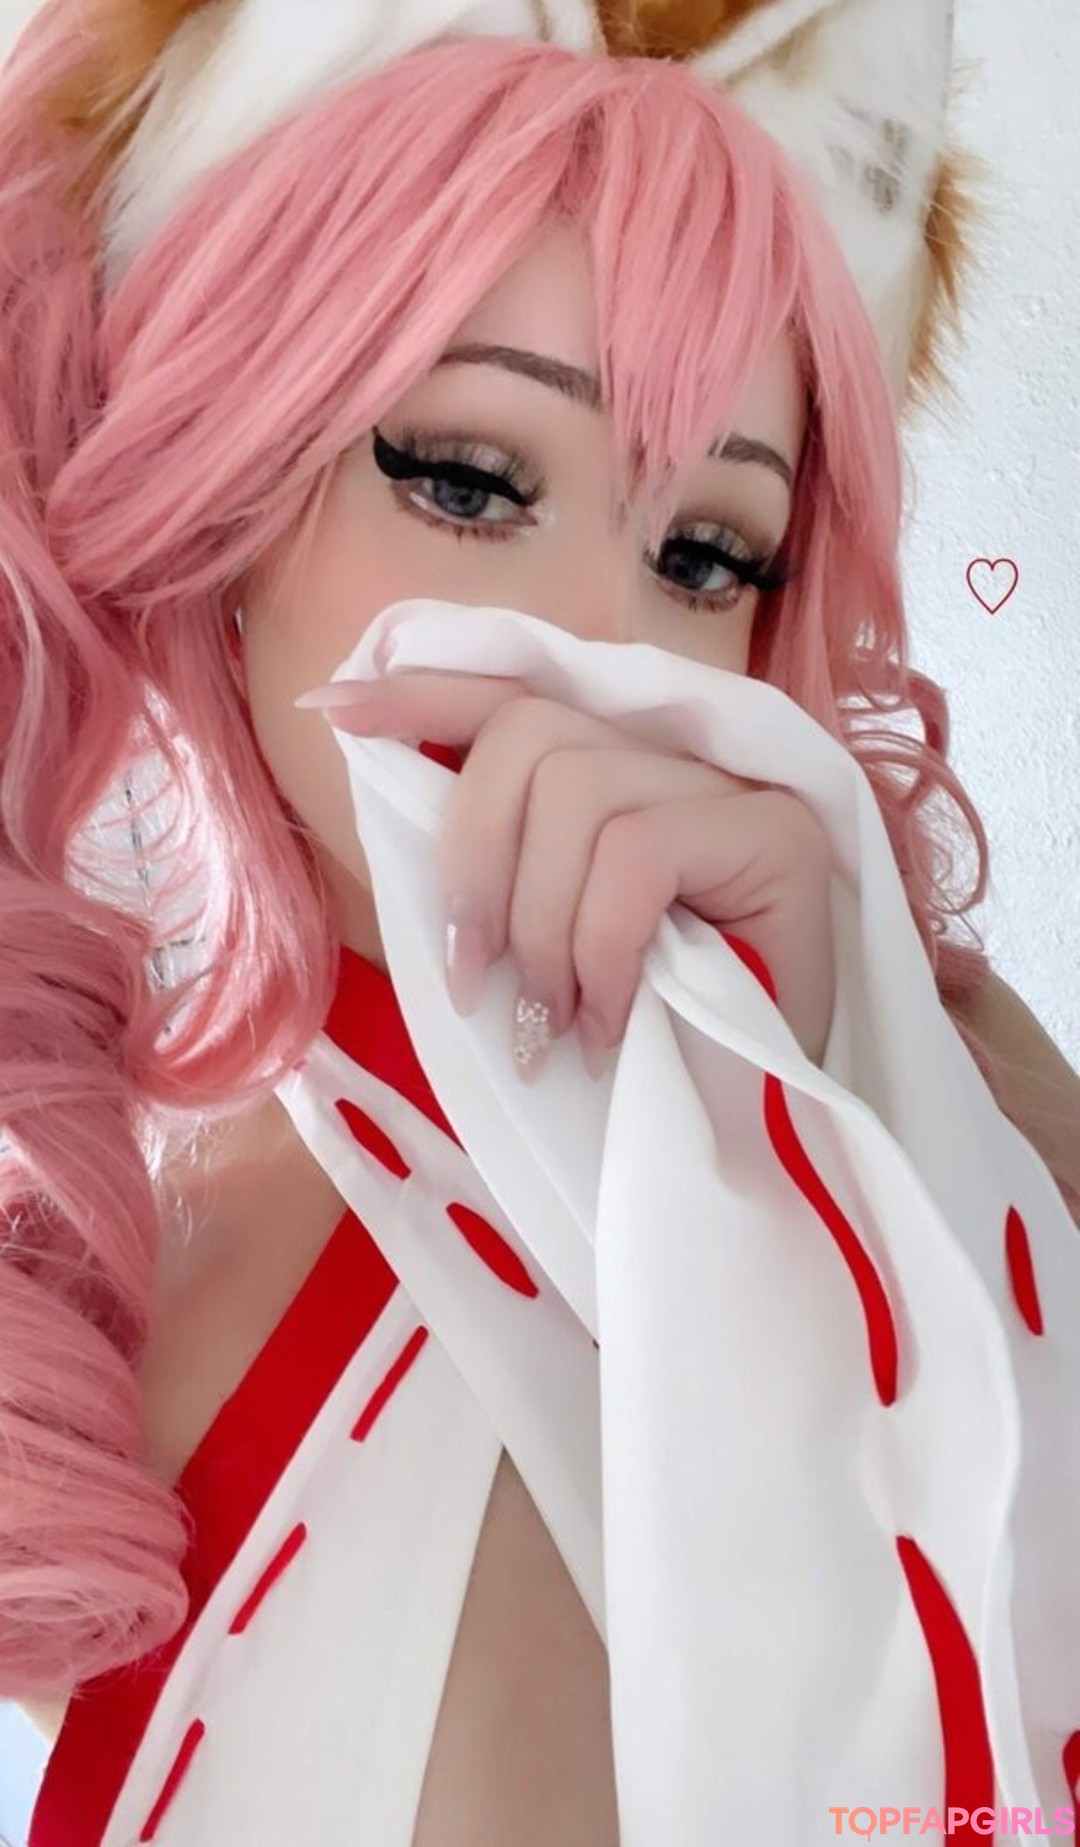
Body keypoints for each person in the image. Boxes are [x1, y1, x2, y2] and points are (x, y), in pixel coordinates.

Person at [1, 2, 1078, 1842]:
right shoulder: (100, 1307)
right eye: (469, 481)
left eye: (707, 555)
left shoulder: (957, 1124)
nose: (600, 645)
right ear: (224, 492)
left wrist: (839, 1159)